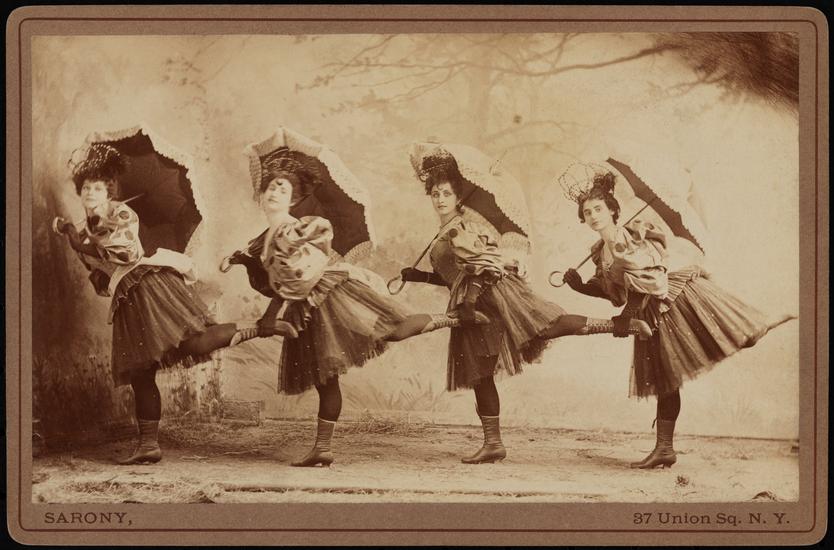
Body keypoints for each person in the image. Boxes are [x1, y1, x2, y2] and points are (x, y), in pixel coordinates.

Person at [226, 153, 487, 467]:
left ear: (294, 199)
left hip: (327, 296)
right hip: (304, 305)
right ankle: (322, 449)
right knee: (325, 377)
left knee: (392, 331)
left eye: (282, 189)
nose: (273, 194)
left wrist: (270, 310)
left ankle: (451, 318)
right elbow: (274, 284)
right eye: (270, 188)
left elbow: (298, 278)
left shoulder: (299, 229)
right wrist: (247, 262)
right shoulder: (266, 237)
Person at [399, 151, 653, 464]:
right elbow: (457, 276)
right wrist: (421, 276)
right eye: (435, 194)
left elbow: (485, 267)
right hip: (470, 299)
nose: (440, 199)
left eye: (447, 193)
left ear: (458, 196)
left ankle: (619, 325)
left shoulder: (463, 227)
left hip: (488, 295)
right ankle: (493, 444)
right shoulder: (445, 229)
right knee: (481, 373)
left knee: (546, 326)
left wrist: (470, 301)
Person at [54, 143, 296, 465]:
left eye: (98, 187)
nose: (90, 193)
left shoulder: (121, 213)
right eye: (86, 188)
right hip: (127, 296)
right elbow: (102, 274)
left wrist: (79, 240)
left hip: (148, 286)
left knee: (193, 343)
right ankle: (148, 445)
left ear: (109, 189)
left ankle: (262, 327)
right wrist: (86, 253)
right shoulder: (90, 226)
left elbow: (129, 254)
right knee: (141, 373)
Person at [561, 167, 794, 468]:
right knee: (665, 379)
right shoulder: (601, 251)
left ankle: (763, 323)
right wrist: (580, 286)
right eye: (587, 212)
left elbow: (650, 280)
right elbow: (615, 293)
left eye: (598, 209)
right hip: (648, 312)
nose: (593, 215)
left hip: (672, 301)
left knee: (726, 336)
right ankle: (665, 449)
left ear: (613, 211)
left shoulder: (626, 239)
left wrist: (627, 316)